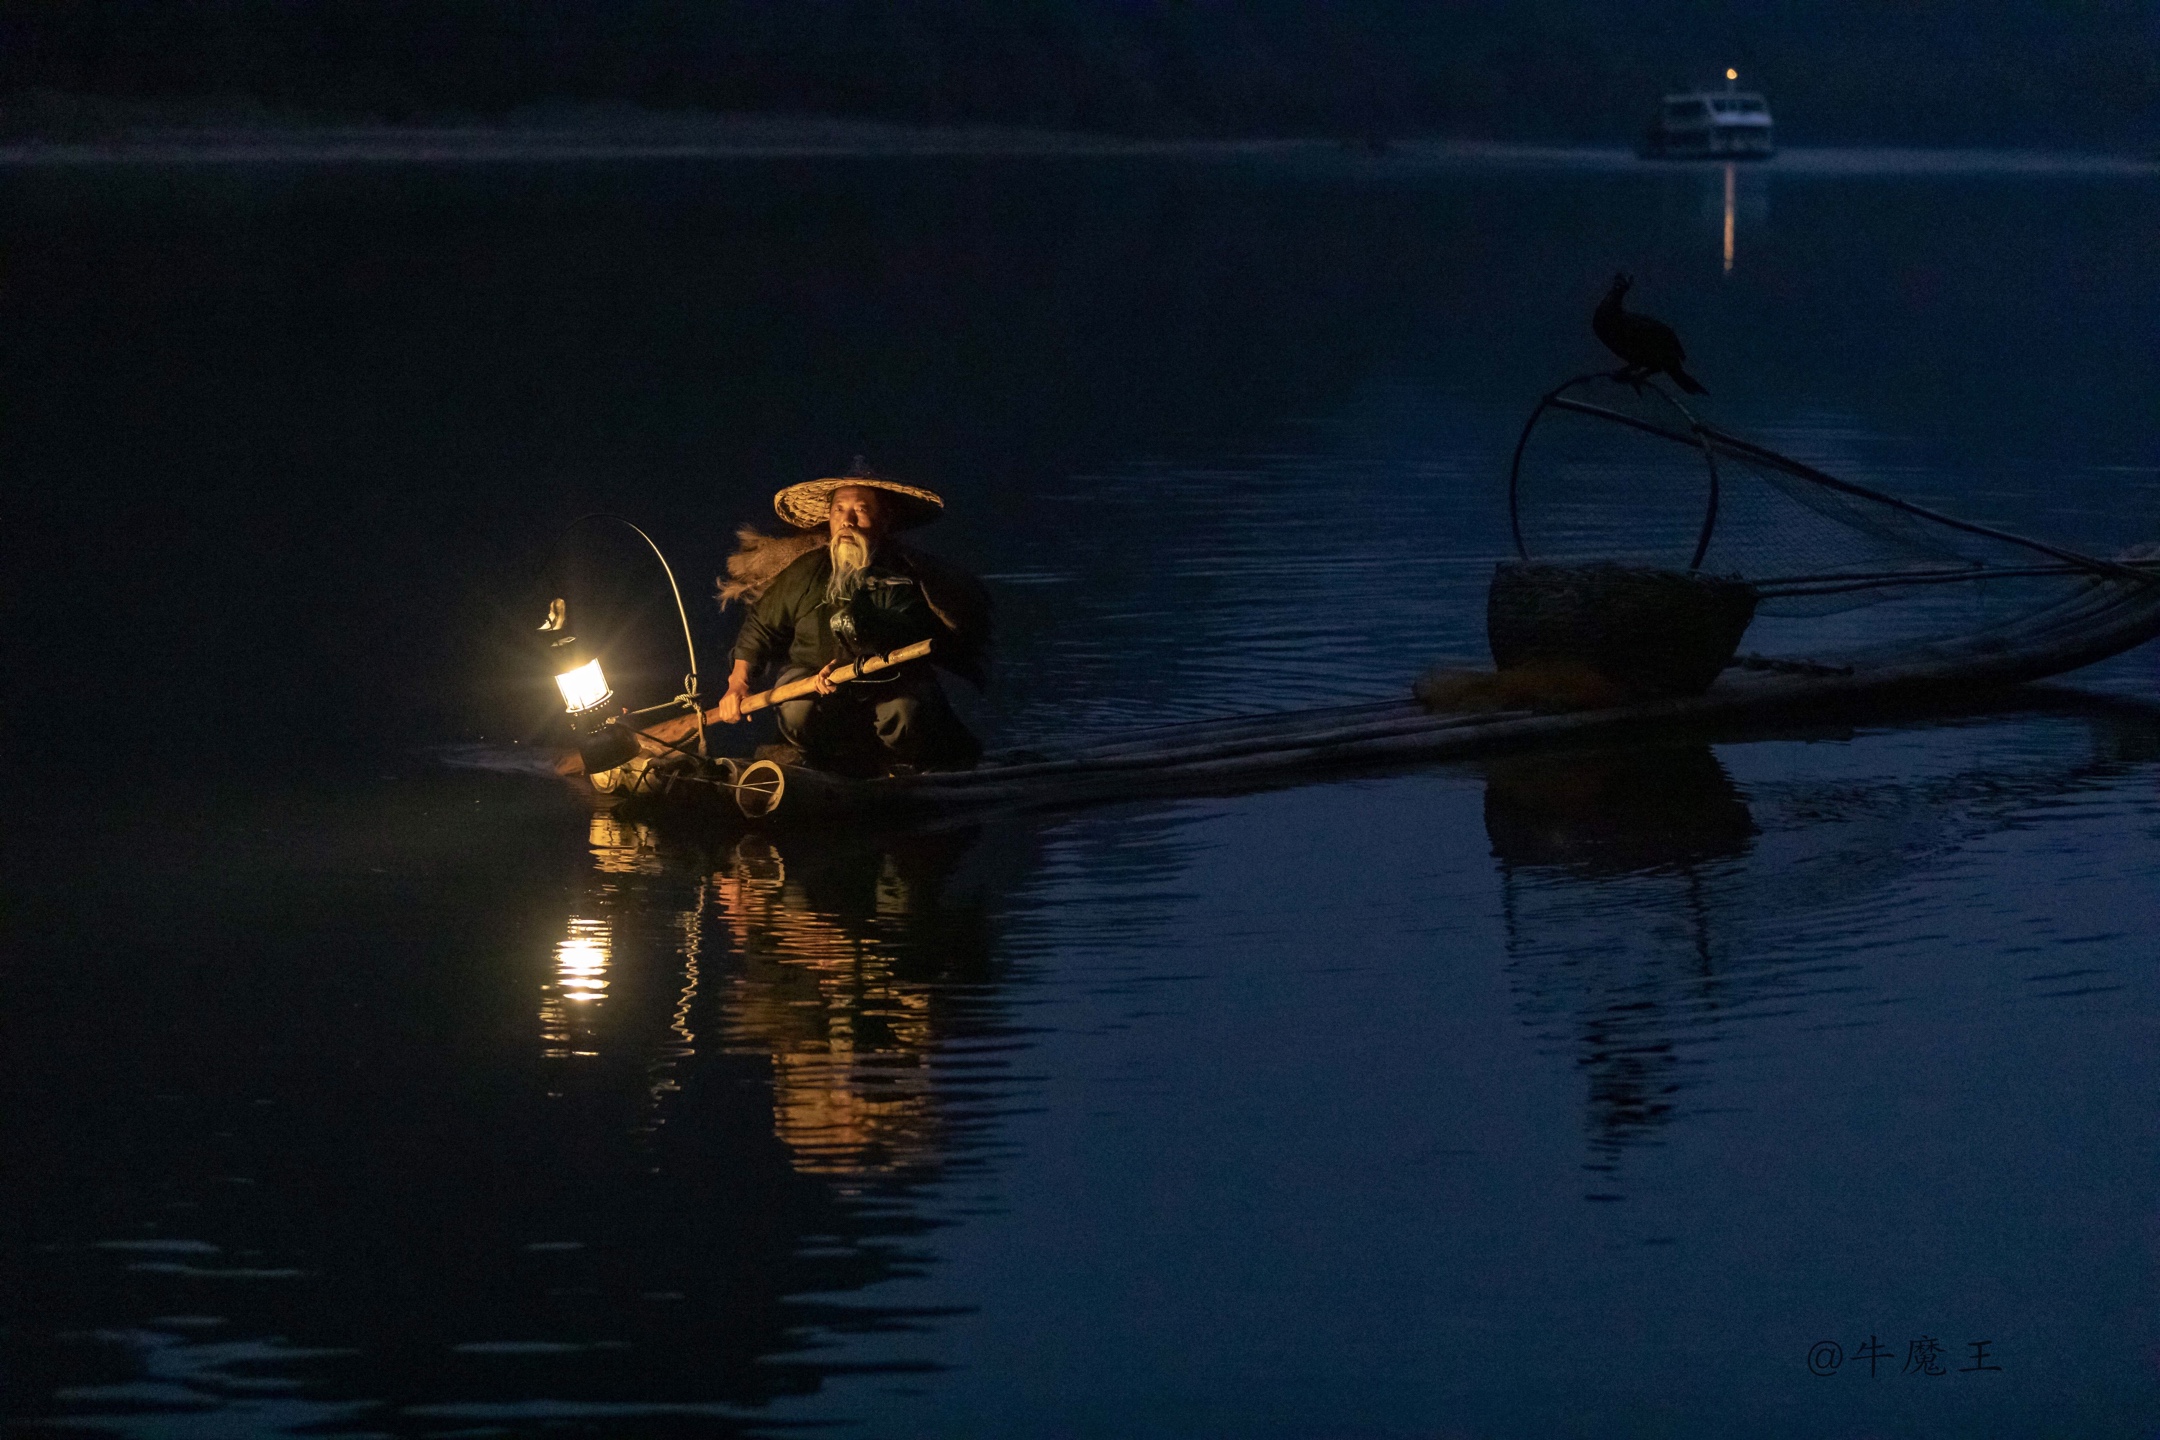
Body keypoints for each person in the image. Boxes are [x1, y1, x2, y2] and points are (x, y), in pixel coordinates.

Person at [714, 465, 987, 773]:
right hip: (814, 682)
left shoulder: (904, 575)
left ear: (884, 520)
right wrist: (737, 685)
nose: (848, 520)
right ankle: (819, 761)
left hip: (890, 680)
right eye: (839, 510)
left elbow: (907, 629)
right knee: (798, 712)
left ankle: (900, 767)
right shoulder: (805, 571)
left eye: (861, 510)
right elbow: (760, 628)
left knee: (906, 714)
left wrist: (862, 634)